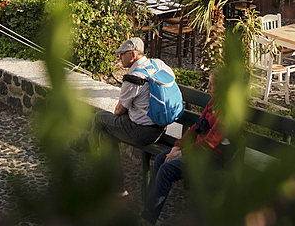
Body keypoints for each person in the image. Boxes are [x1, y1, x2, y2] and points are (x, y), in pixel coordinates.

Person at [141, 72, 225, 225]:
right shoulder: (214, 102)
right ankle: (151, 213)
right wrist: (177, 147)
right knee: (160, 159)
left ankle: (148, 219)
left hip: (214, 156)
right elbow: (195, 128)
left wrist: (182, 153)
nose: (208, 87)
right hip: (199, 149)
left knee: (167, 170)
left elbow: (210, 143)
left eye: (212, 84)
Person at [92, 37, 165, 196]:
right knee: (106, 133)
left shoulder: (134, 78)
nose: (119, 57)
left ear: (132, 55)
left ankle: (88, 145)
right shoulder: (158, 64)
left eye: (122, 54)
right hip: (161, 128)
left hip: (143, 132)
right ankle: (117, 188)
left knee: (100, 118)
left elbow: (118, 111)